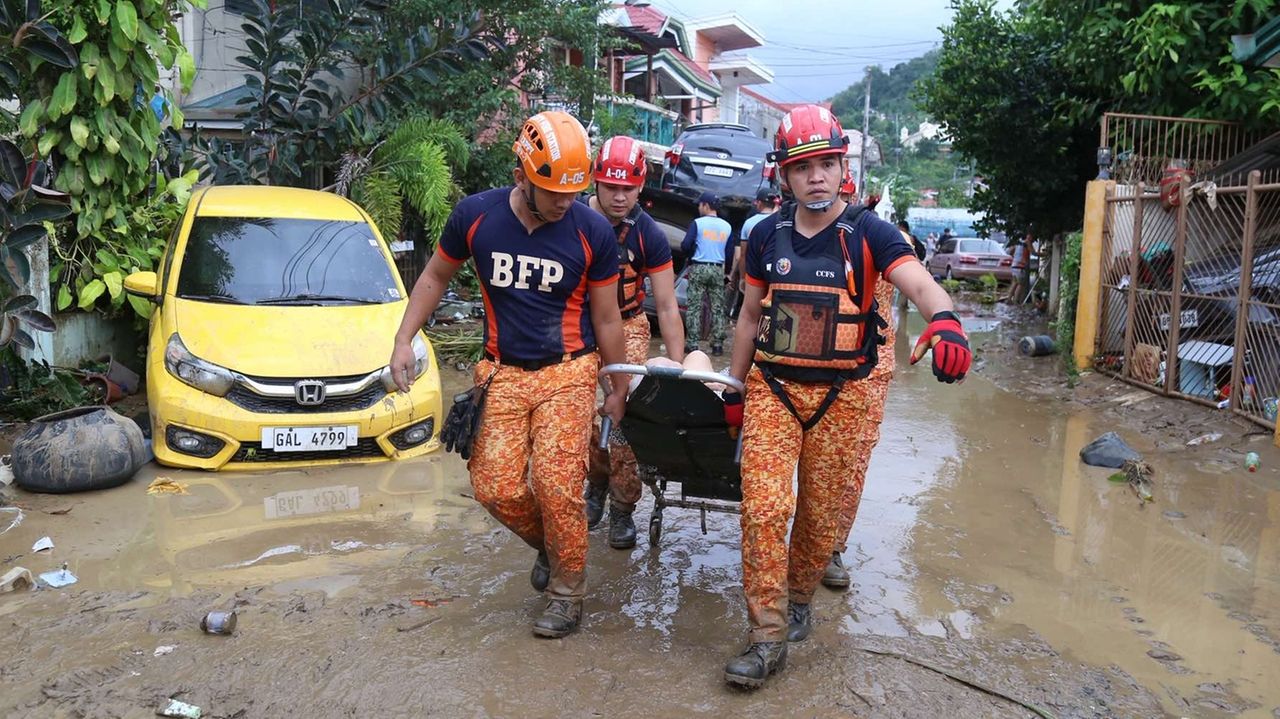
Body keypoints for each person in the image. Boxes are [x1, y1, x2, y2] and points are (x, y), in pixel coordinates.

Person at [722, 104, 972, 687]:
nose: (817, 176)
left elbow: (917, 280)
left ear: (843, 169)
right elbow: (749, 316)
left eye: (828, 164)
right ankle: (766, 635)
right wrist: (733, 388)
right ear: (783, 174)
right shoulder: (765, 236)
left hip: (845, 398)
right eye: (804, 166)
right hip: (774, 391)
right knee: (764, 508)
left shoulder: (870, 232)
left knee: (818, 515)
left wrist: (947, 320)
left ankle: (802, 592)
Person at [388, 110, 629, 639]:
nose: (565, 201)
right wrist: (404, 339)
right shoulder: (476, 216)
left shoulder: (592, 232)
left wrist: (617, 387)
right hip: (500, 372)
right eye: (552, 190)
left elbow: (608, 317)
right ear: (521, 175)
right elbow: (433, 277)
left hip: (570, 370)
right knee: (493, 487)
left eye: (573, 189)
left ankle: (568, 593)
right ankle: (552, 543)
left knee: (557, 482)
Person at [583, 135, 684, 549]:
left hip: (628, 326)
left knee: (623, 416)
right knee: (580, 418)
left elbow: (667, 305)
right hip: (578, 328)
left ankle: (623, 508)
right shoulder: (571, 221)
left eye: (628, 188)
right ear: (596, 182)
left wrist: (676, 372)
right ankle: (595, 487)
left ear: (641, 186)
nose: (620, 196)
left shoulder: (648, 236)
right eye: (611, 187)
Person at [680, 191, 732, 356]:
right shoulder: (727, 226)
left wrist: (691, 253)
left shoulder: (697, 223)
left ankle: (693, 344)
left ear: (706, 205)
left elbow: (685, 245)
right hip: (717, 268)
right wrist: (727, 273)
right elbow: (729, 253)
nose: (698, 207)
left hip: (699, 267)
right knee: (718, 307)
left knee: (694, 306)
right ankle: (717, 345)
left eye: (700, 204)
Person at [728, 188, 781, 320]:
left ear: (759, 203)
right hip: (776, 273)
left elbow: (743, 255)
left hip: (755, 273)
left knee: (751, 314)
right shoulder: (782, 222)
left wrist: (742, 278)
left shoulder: (749, 223)